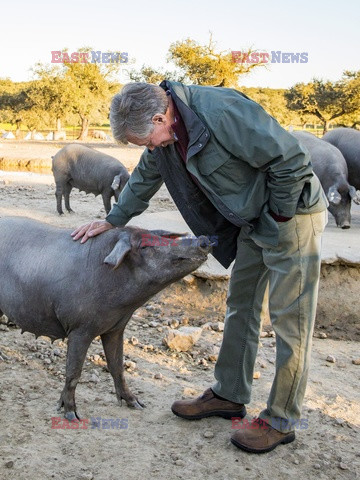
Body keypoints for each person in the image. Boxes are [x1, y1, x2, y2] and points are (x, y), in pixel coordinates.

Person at [72, 81, 328, 453]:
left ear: (160, 117)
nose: (149, 149)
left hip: (291, 215)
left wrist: (280, 214)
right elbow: (146, 174)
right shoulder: (166, 132)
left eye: (146, 140)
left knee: (292, 318)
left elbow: (289, 160)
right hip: (254, 219)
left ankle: (282, 419)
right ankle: (229, 394)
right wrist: (114, 219)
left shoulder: (219, 111)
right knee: (241, 305)